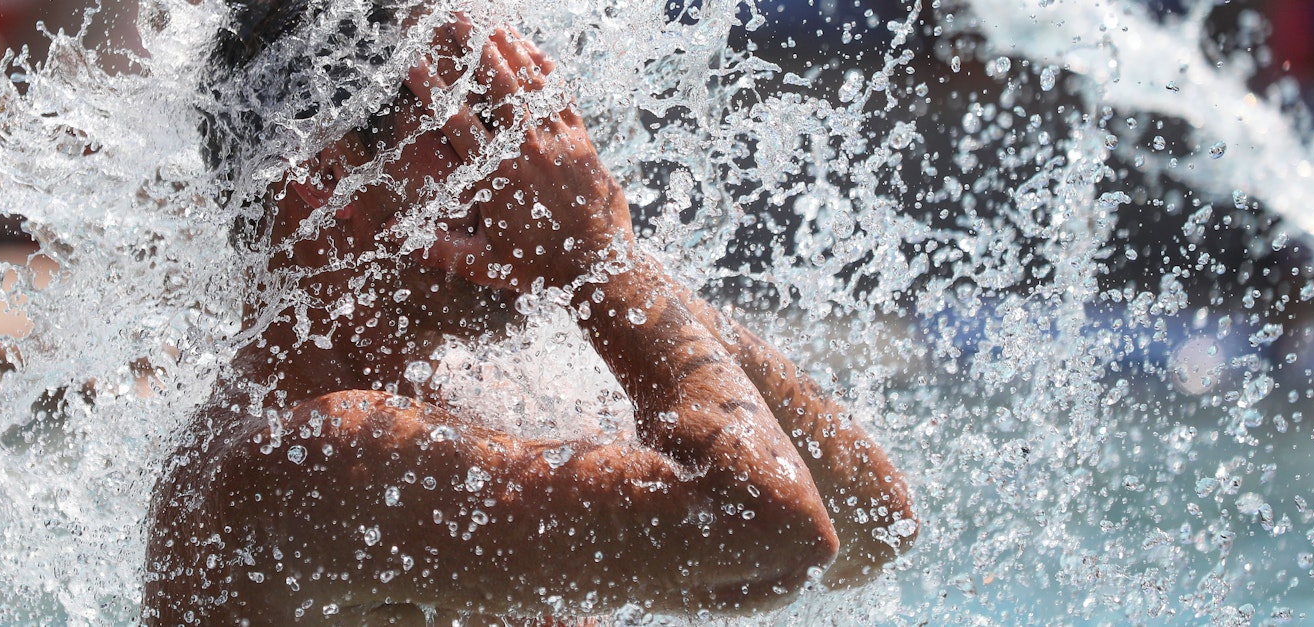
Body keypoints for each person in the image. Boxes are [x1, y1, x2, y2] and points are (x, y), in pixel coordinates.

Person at [145, 4, 916, 624]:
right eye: (481, 123)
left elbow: (875, 525)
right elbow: (776, 528)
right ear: (329, 183)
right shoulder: (294, 460)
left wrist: (608, 256)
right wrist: (598, 258)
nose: (534, 155)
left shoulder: (487, 382)